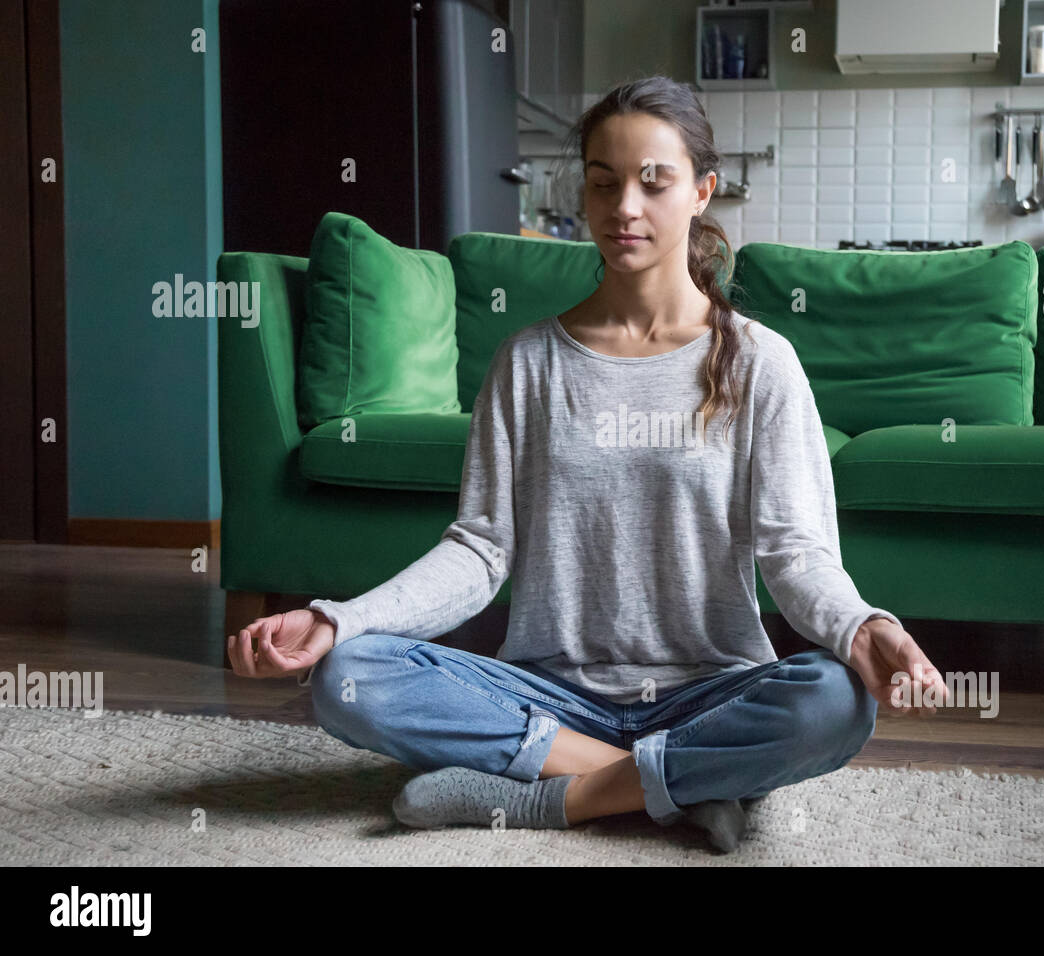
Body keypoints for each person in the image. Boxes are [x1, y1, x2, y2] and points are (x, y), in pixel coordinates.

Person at [228, 75, 949, 853]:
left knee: (836, 700)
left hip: (709, 690)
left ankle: (554, 799)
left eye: (653, 182)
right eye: (603, 184)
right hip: (548, 693)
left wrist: (862, 628)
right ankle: (677, 786)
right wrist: (338, 620)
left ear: (703, 191)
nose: (624, 208)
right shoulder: (528, 361)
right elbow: (479, 551)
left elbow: (795, 552)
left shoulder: (762, 364)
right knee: (348, 677)